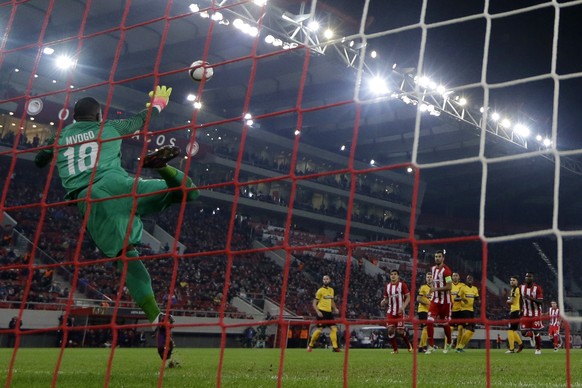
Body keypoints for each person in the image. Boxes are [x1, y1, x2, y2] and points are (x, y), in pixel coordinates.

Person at [35, 86, 199, 362]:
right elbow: (141, 120)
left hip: (92, 199)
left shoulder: (61, 136)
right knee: (189, 192)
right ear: (98, 116)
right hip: (123, 186)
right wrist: (158, 103)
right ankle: (162, 167)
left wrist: (51, 152)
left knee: (128, 258)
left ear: (75, 117)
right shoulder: (109, 127)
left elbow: (40, 159)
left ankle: (155, 315)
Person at [425, 250, 453, 354]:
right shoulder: (432, 269)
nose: (437, 258)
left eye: (439, 256)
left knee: (445, 324)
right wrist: (430, 290)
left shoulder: (447, 271)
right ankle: (431, 346)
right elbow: (433, 283)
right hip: (435, 300)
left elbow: (450, 287)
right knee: (429, 321)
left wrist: (435, 290)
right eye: (436, 256)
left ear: (443, 258)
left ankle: (449, 342)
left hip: (445, 302)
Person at [380, 269, 413, 354]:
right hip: (391, 312)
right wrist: (383, 302)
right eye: (391, 274)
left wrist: (403, 307)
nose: (393, 276)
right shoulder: (387, 286)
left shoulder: (402, 285)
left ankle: (409, 345)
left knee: (400, 332)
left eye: (395, 274)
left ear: (398, 276)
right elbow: (386, 299)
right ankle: (395, 350)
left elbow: (408, 297)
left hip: (400, 312)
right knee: (390, 330)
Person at [307, 275, 341, 352]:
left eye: (327, 279)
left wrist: (335, 308)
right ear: (323, 281)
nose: (325, 280)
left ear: (329, 280)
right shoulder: (320, 290)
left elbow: (331, 301)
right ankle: (310, 346)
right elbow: (314, 303)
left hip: (329, 313)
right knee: (319, 330)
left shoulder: (331, 290)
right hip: (322, 312)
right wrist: (318, 311)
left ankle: (335, 347)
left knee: (334, 329)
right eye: (324, 279)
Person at [520, 272, 544, 355]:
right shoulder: (521, 287)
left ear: (533, 278)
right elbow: (520, 299)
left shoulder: (537, 288)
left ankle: (538, 349)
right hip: (526, 313)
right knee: (523, 333)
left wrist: (530, 298)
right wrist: (520, 309)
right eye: (526, 276)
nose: (527, 278)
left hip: (536, 313)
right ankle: (530, 335)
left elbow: (540, 302)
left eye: (529, 276)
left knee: (536, 331)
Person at [454, 274, 479, 352]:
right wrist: (462, 299)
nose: (470, 280)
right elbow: (456, 298)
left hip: (471, 311)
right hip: (464, 310)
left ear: (473, 280)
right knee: (468, 328)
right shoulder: (463, 288)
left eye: (471, 278)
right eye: (468, 278)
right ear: (466, 280)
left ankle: (460, 346)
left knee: (472, 330)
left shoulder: (475, 289)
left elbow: (477, 299)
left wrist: (477, 302)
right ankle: (458, 346)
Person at [506, 275, 524, 353]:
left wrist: (507, 301)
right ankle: (520, 344)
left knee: (510, 330)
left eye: (513, 280)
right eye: (511, 280)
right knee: (513, 330)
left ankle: (511, 349)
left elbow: (512, 301)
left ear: (516, 282)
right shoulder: (516, 289)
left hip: (515, 311)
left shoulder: (514, 289)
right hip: (516, 311)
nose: (511, 281)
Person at [416, 272, 433, 353]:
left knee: (426, 328)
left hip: (430, 311)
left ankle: (421, 346)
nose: (429, 278)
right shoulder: (423, 287)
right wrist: (427, 303)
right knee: (425, 327)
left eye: (430, 277)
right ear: (426, 278)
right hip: (422, 310)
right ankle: (422, 346)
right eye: (428, 277)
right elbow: (418, 299)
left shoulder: (435, 289)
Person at [450, 272, 465, 348]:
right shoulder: (449, 285)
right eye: (453, 276)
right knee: (450, 328)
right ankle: (447, 345)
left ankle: (458, 346)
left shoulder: (462, 286)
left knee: (460, 328)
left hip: (460, 310)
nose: (455, 277)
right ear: (452, 277)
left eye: (456, 275)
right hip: (451, 310)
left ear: (459, 277)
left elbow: (465, 296)